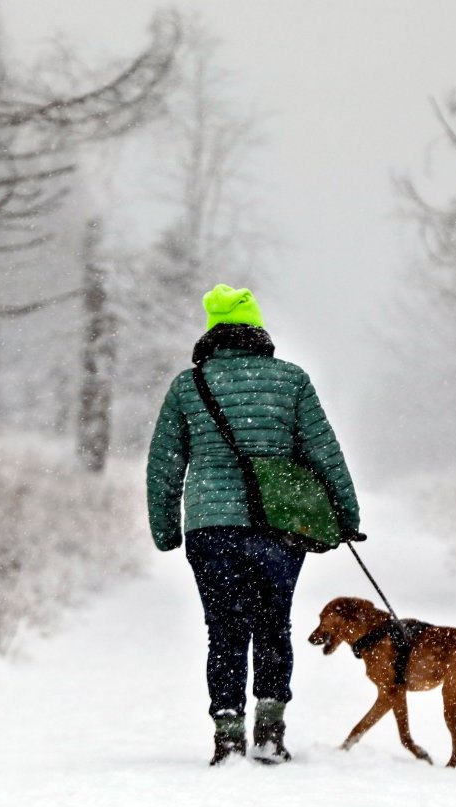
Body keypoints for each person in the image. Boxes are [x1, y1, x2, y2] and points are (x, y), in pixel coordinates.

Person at [146, 284, 362, 766]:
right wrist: (346, 516)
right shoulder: (292, 381)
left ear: (213, 333)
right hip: (279, 527)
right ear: (257, 330)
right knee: (272, 625)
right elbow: (323, 452)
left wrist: (166, 528)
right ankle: (269, 731)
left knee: (223, 629)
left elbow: (164, 464)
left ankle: (227, 735)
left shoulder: (188, 386)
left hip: (210, 528)